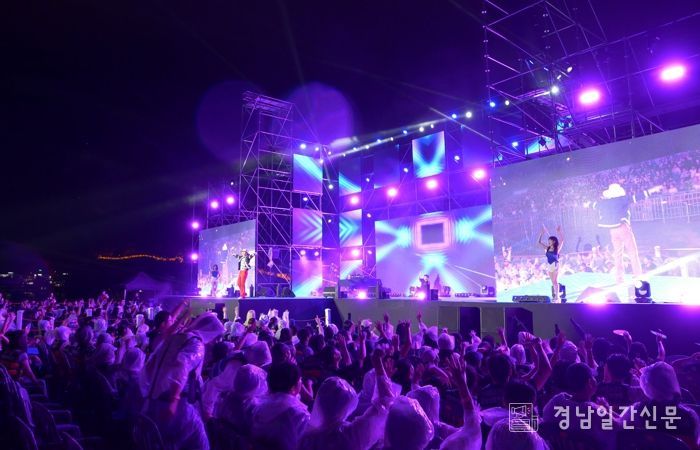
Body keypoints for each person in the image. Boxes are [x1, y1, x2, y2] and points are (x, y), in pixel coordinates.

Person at [139, 312, 224, 450]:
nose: (214, 341)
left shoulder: (175, 337)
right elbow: (182, 365)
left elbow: (150, 365)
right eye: (215, 337)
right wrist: (174, 400)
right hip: (178, 407)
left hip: (153, 402)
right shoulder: (196, 344)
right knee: (200, 444)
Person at [595, 183, 661, 286]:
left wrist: (586, 204)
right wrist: (653, 190)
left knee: (618, 254)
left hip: (612, 230)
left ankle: (619, 279)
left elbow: (593, 205)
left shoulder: (604, 203)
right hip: (623, 227)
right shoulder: (622, 199)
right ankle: (638, 276)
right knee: (632, 252)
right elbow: (638, 196)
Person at [251, 361, 310, 450]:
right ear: (294, 386)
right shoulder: (299, 413)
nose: (301, 381)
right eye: (300, 379)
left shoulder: (257, 405)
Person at [537, 225, 564, 303]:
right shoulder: (547, 248)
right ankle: (557, 294)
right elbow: (539, 242)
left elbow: (562, 240)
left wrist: (559, 232)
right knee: (553, 282)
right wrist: (541, 233)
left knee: (555, 281)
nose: (548, 242)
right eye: (548, 241)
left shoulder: (557, 249)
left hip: (555, 265)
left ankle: (557, 296)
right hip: (549, 265)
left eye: (550, 241)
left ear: (554, 241)